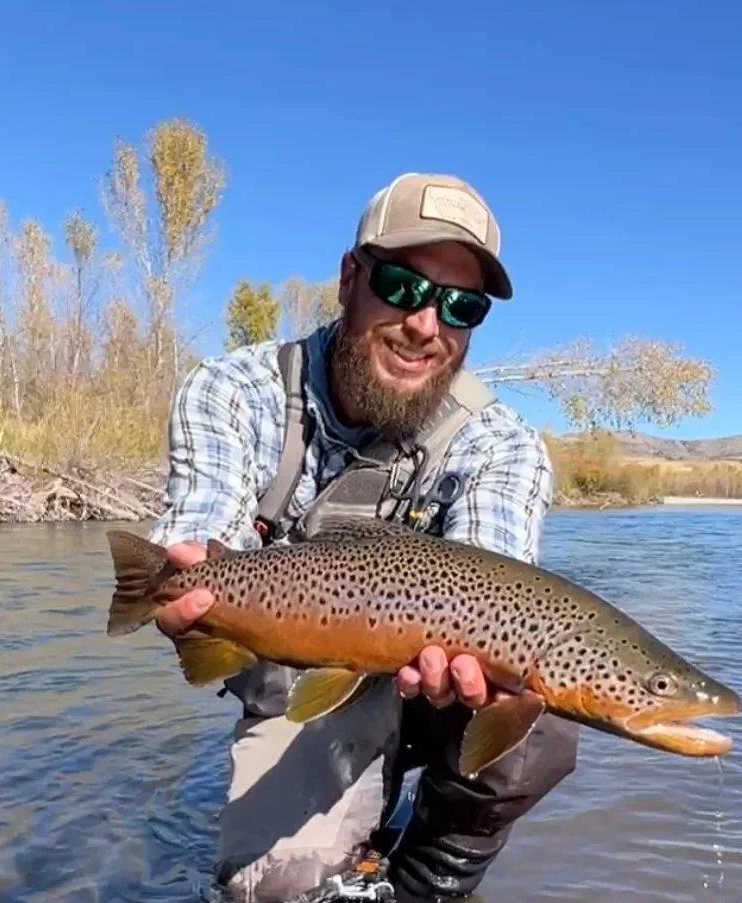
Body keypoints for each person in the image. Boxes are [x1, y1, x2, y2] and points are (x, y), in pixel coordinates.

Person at [146, 172, 580, 902]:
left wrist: (480, 673)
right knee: (276, 888)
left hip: (434, 691)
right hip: (302, 687)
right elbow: (201, 537)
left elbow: (500, 587)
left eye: (460, 306)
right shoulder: (232, 392)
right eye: (404, 286)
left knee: (541, 709)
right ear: (351, 277)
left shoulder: (500, 444)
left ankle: (422, 883)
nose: (425, 324)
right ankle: (349, 834)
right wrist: (178, 583)